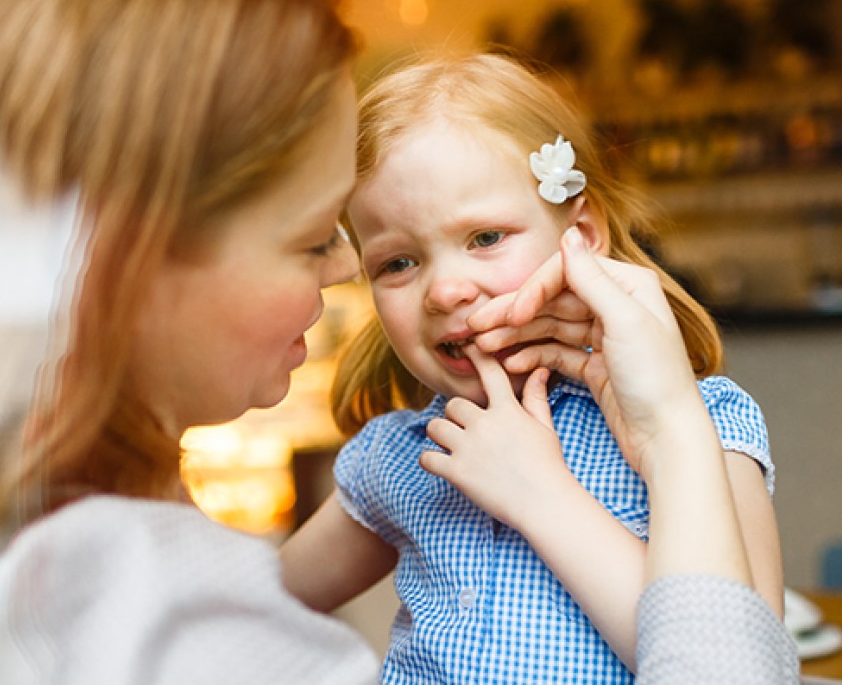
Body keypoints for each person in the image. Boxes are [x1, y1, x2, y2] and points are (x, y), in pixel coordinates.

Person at [0, 0, 797, 683]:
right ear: (135, 259)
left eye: (484, 237)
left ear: (584, 230)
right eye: (326, 241)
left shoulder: (42, 565)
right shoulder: (357, 492)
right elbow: (274, 604)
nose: (363, 273)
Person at [280, 53, 784, 682]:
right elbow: (250, 611)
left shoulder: (704, 424)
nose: (444, 291)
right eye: (397, 263)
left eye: (485, 238)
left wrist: (541, 495)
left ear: (583, 234)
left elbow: (748, 660)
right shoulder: (401, 456)